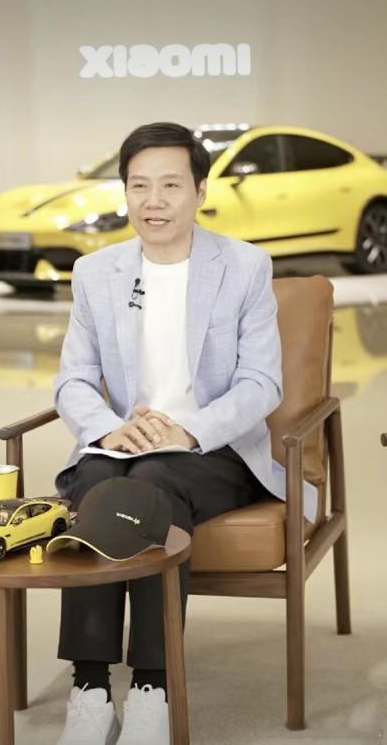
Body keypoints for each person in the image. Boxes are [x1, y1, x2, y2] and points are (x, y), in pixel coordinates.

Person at [54, 121, 285, 745]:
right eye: (139, 186)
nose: (153, 201)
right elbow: (73, 380)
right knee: (99, 481)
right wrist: (110, 429)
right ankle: (90, 690)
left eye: (170, 185)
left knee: (151, 482)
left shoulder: (243, 266)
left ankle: (152, 687)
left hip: (211, 447)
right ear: (125, 192)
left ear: (200, 191)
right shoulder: (95, 272)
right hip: (121, 443)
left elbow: (261, 383)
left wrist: (186, 430)